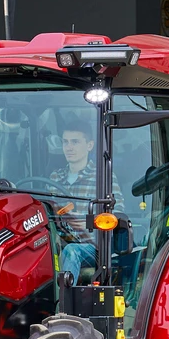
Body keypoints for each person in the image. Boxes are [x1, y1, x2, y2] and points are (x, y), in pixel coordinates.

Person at [49, 119, 122, 284]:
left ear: (89, 145)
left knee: (71, 251)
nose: (69, 147)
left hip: (91, 245)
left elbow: (117, 213)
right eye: (65, 142)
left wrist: (87, 223)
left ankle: (64, 303)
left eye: (75, 142)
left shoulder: (102, 178)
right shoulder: (55, 177)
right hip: (58, 241)